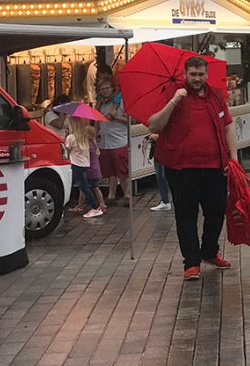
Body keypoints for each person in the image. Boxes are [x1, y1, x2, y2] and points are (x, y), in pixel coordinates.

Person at [148, 56, 239, 282]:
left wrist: (233, 158)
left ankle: (209, 251)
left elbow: (228, 126)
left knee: (216, 211)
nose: (197, 79)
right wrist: (174, 101)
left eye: (200, 74)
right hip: (181, 168)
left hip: (214, 166)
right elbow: (154, 125)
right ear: (185, 75)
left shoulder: (217, 96)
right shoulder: (173, 93)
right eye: (192, 75)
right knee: (186, 215)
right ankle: (191, 262)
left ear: (206, 75)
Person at [95, 76, 131, 207]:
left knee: (122, 170)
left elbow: (129, 121)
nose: (104, 91)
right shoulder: (100, 104)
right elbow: (97, 121)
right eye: (102, 89)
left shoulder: (120, 102)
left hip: (119, 141)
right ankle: (111, 195)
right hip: (105, 141)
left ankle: (127, 194)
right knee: (110, 171)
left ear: (112, 88)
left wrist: (116, 117)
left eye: (106, 88)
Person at [65, 116, 103, 218]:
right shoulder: (83, 136)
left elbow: (66, 151)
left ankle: (95, 207)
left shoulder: (71, 138)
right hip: (84, 164)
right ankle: (92, 206)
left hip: (76, 164)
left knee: (84, 187)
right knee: (84, 186)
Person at [148, 133, 172, 211]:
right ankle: (165, 200)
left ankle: (165, 200)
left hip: (167, 149)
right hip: (159, 149)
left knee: (164, 175)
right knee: (160, 176)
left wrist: (159, 136)